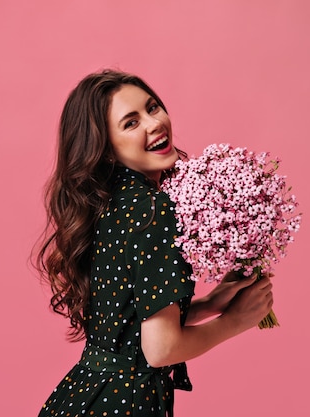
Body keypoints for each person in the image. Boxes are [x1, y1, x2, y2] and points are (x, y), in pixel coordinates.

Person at [34, 69, 274, 417]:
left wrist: (208, 304)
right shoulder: (152, 209)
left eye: (153, 107)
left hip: (83, 395)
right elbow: (160, 349)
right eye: (130, 123)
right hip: (122, 405)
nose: (154, 123)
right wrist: (235, 321)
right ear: (106, 150)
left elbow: (125, 322)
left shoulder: (111, 204)